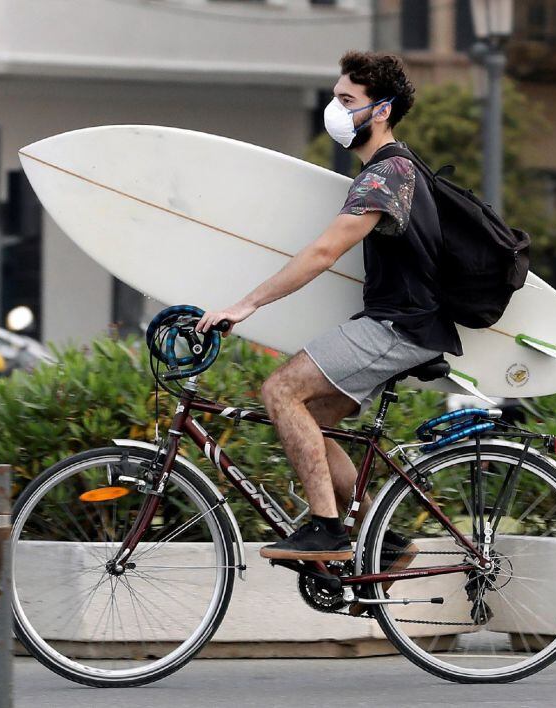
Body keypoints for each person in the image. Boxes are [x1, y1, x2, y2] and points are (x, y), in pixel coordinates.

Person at [197, 51, 461, 563]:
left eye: (347, 101)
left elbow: (323, 253)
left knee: (280, 389)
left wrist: (247, 304)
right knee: (309, 418)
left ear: (379, 111)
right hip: (403, 323)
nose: (335, 111)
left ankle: (326, 528)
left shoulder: (387, 175)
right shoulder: (393, 170)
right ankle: (382, 540)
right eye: (335, 98)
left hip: (397, 326)